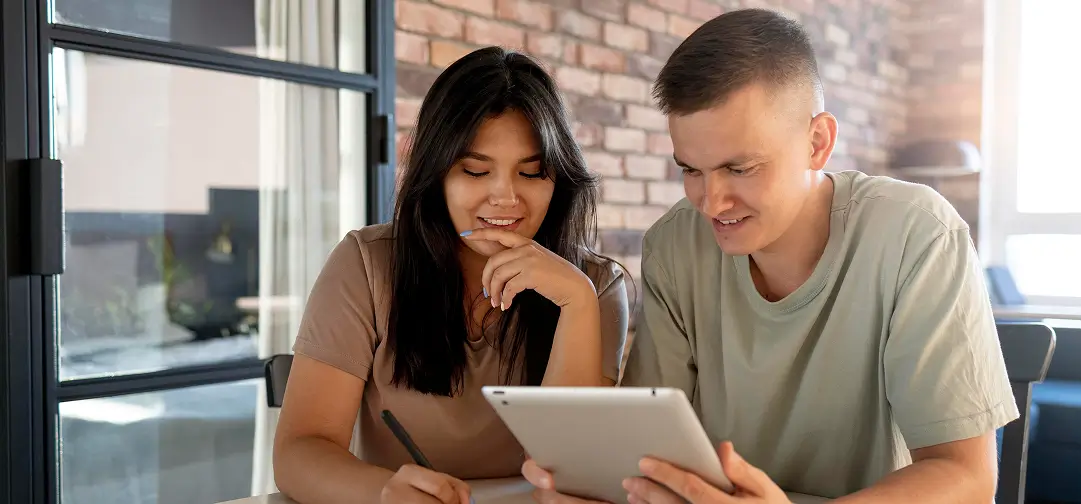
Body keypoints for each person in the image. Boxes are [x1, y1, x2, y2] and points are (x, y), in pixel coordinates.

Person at [523, 8, 1016, 504]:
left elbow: (968, 480)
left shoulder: (917, 233)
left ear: (817, 143)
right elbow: (648, 450)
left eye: (741, 168)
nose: (711, 203)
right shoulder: (675, 244)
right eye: (691, 170)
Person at [272, 46, 630, 504]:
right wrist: (382, 492)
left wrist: (576, 305)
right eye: (475, 170)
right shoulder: (367, 264)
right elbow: (299, 451)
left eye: (533, 172)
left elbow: (573, 474)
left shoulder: (595, 286)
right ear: (437, 172)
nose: (505, 197)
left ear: (558, 180)